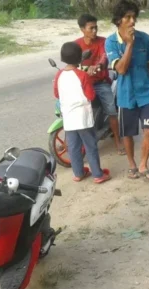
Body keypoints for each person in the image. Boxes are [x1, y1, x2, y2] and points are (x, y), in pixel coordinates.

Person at [105, 0, 149, 180]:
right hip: (125, 95)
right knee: (127, 133)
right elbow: (120, 69)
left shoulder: (145, 38)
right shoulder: (111, 42)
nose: (132, 21)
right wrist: (129, 44)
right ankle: (132, 164)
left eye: (134, 17)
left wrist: (140, 77)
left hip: (145, 93)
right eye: (127, 17)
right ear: (118, 20)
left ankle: (143, 164)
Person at [53, 41, 111, 184]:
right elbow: (90, 95)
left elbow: (56, 94)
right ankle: (97, 174)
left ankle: (78, 173)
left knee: (73, 147)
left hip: (69, 118)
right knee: (90, 145)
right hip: (83, 118)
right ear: (80, 58)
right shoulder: (82, 75)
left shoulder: (59, 75)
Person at [76, 13, 125, 156]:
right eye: (91, 28)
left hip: (101, 83)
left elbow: (105, 58)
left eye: (96, 28)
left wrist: (97, 66)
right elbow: (72, 63)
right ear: (82, 29)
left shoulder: (104, 42)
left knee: (111, 111)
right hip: (84, 84)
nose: (94, 31)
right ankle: (74, 139)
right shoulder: (77, 45)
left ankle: (117, 139)